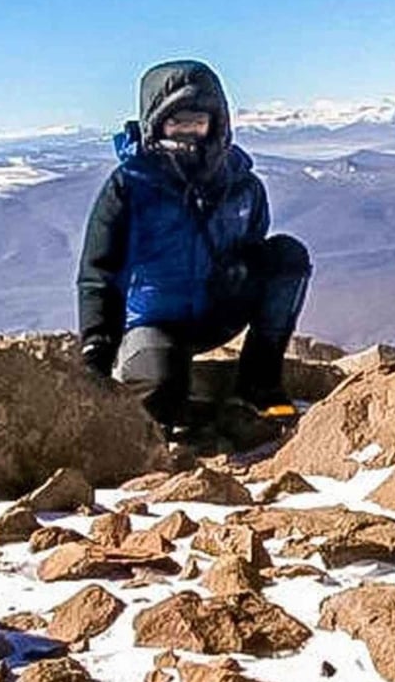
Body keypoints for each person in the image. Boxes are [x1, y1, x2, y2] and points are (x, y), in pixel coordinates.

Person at [76, 59, 312, 430]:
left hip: (217, 309)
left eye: (198, 121)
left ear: (216, 123)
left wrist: (238, 270)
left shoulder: (241, 183)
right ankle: (162, 388)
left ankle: (259, 383)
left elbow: (254, 243)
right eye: (177, 121)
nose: (189, 133)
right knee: (158, 403)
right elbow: (99, 275)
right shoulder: (129, 187)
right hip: (153, 321)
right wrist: (96, 355)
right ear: (156, 123)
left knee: (287, 256)